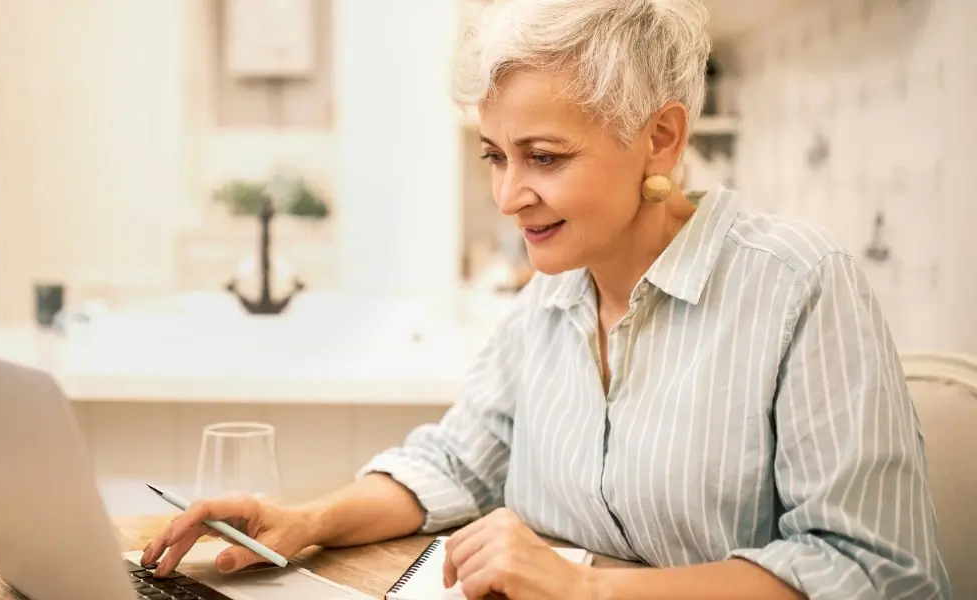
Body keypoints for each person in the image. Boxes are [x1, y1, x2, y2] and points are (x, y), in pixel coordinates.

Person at [143, 0, 952, 598]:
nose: (508, 195)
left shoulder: (799, 285)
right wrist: (308, 521)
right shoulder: (551, 296)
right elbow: (456, 462)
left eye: (544, 157)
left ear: (660, 139)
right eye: (496, 155)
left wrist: (586, 591)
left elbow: (873, 570)